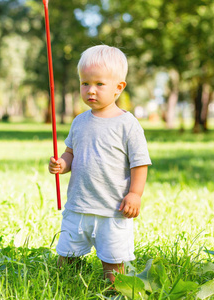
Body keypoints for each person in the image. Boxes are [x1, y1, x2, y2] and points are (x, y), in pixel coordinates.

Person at [48, 45, 151, 283]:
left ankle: (114, 291)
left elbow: (139, 163)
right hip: (78, 205)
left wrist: (135, 194)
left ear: (119, 87)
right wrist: (61, 164)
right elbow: (70, 153)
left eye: (99, 84)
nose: (90, 90)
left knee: (113, 262)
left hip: (112, 209)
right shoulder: (79, 121)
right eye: (85, 83)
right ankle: (66, 286)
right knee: (66, 255)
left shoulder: (128, 124)